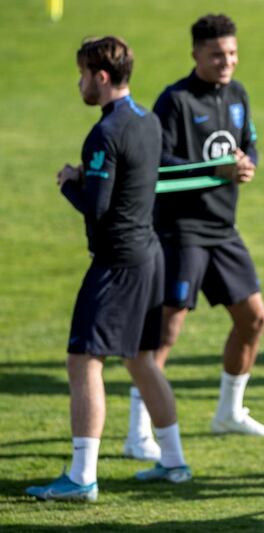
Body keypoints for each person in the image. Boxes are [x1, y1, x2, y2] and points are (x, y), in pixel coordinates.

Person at [26, 37, 191, 501]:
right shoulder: (147, 119)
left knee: (83, 361)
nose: (79, 83)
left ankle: (82, 477)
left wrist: (67, 183)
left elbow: (96, 209)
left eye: (82, 75)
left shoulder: (105, 131)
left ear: (100, 77)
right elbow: (137, 177)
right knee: (140, 358)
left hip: (117, 262)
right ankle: (174, 461)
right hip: (150, 254)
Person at [123, 14, 264, 460]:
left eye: (231, 52)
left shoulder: (238, 93)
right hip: (180, 231)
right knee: (167, 329)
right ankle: (138, 433)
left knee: (254, 320)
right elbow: (156, 161)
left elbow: (250, 142)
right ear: (195, 54)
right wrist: (215, 170)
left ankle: (228, 412)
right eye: (216, 54)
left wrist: (248, 162)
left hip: (222, 229)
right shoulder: (174, 100)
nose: (226, 61)